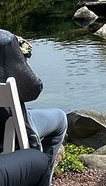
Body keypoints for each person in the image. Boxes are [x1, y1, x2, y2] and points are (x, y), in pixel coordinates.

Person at [0, 29, 67, 186]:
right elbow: (32, 90)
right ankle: (40, 176)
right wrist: (21, 54)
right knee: (60, 118)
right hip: (11, 126)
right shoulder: (5, 41)